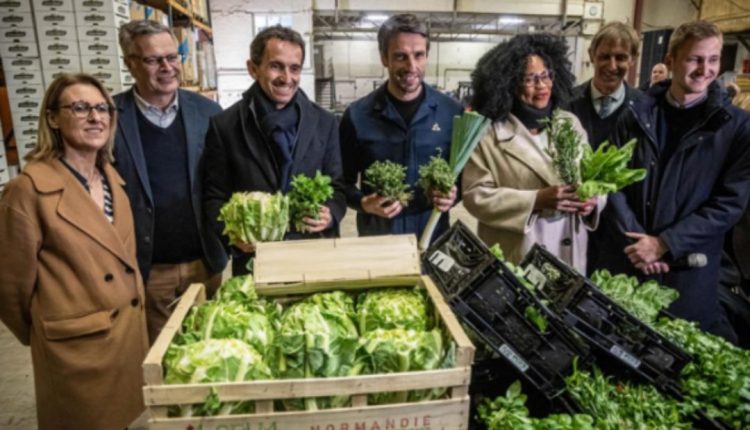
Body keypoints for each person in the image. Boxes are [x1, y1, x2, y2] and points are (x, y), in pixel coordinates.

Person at [0, 74, 148, 429]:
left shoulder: (112, 179)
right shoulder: (28, 191)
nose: (95, 117)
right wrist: (52, 330)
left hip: (127, 337)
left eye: (102, 108)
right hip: (77, 350)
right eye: (80, 108)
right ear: (53, 118)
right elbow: (9, 290)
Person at [596, 20, 750, 341]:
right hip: (630, 264)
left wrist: (665, 243)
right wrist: (638, 244)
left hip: (689, 272)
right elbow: (610, 182)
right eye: (694, 59)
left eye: (712, 59)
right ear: (670, 61)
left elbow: (729, 204)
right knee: (623, 353)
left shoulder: (735, 128)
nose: (704, 69)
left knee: (681, 357)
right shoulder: (636, 113)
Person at [114, 20, 227, 344]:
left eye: (173, 56)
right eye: (153, 60)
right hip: (149, 270)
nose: (167, 67)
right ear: (130, 64)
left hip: (205, 263)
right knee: (161, 358)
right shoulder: (110, 117)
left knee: (209, 350)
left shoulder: (207, 112)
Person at [203, 25, 346, 275]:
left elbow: (338, 187)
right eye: (276, 66)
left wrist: (331, 214)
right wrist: (233, 233)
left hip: (313, 255)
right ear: (253, 68)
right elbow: (214, 195)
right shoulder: (225, 126)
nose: (286, 77)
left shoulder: (324, 122)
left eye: (295, 68)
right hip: (254, 261)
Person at [462, 34, 603, 273]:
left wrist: (593, 201)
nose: (542, 85)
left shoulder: (570, 124)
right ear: (509, 83)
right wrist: (535, 200)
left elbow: (594, 178)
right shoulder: (488, 134)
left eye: (546, 75)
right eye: (530, 79)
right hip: (518, 257)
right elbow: (475, 196)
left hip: (569, 252)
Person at [340, 14, 462, 240]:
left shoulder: (451, 113)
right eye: (400, 57)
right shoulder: (357, 116)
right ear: (384, 58)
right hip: (377, 241)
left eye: (419, 55)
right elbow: (340, 183)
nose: (412, 66)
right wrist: (363, 203)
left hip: (433, 239)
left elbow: (464, 178)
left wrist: (454, 194)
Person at [569, 21, 644, 149]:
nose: (612, 66)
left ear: (633, 59)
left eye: (620, 58)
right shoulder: (568, 102)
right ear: (592, 55)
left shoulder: (644, 108)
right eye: (604, 57)